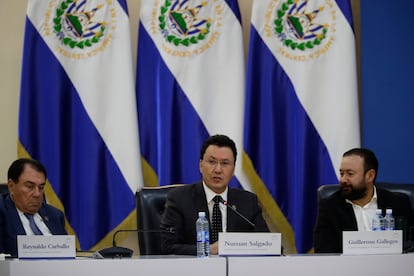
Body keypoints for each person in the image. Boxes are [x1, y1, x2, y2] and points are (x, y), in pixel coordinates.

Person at [160, 134, 269, 255]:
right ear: (201, 165)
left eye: (225, 163)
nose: (218, 170)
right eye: (212, 162)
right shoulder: (179, 198)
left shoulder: (248, 201)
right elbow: (167, 246)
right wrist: (207, 250)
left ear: (233, 170)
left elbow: (268, 244)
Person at [314, 148, 414, 253]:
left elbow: (410, 244)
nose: (343, 179)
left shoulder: (398, 202)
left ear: (370, 176)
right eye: (342, 173)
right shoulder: (330, 207)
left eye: (350, 174)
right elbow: (323, 252)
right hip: (348, 267)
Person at [0, 158, 67, 257]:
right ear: (11, 186)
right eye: (30, 186)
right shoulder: (2, 211)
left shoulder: (55, 215)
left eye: (41, 187)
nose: (37, 194)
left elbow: (68, 252)